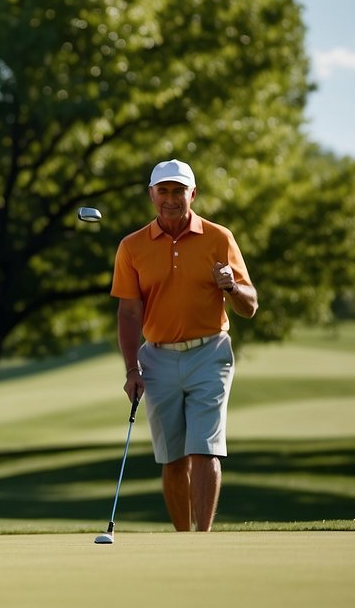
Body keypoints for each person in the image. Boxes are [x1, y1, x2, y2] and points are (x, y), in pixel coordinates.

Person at [110, 159, 259, 532]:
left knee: (203, 448)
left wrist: (230, 286)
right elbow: (128, 313)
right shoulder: (132, 247)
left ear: (193, 194)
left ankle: (202, 540)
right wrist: (132, 370)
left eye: (179, 191)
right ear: (151, 195)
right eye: (164, 191)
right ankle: (182, 539)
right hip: (157, 357)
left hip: (210, 352)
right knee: (172, 458)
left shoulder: (218, 238)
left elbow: (250, 306)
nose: (172, 199)